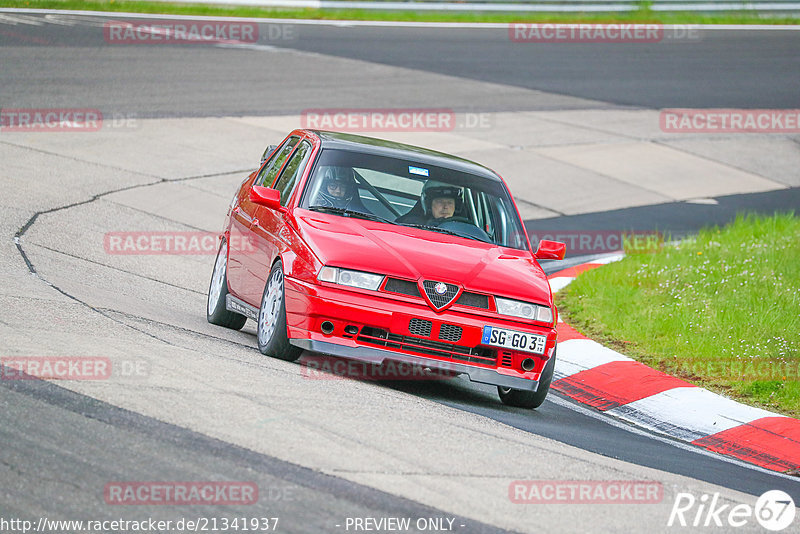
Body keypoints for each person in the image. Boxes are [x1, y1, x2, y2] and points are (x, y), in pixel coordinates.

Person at [397, 180, 464, 225]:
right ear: (428, 205)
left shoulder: (465, 230)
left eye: (450, 203)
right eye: (440, 202)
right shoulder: (410, 226)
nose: (445, 207)